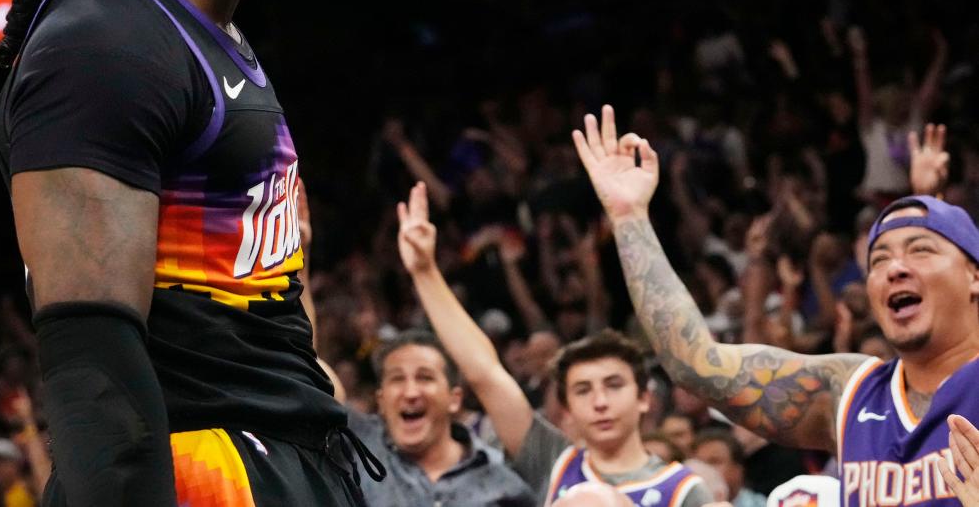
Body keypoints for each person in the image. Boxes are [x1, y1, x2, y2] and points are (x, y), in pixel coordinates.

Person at [0, 0, 382, 505]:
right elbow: (92, 362)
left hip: (281, 462)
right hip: (202, 479)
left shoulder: (211, 33)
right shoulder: (103, 38)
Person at [570, 106, 979, 507]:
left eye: (920, 250)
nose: (895, 269)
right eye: (879, 260)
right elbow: (695, 362)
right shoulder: (849, 392)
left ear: (974, 275)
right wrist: (629, 218)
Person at [396, 183, 708, 507]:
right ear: (567, 410)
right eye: (583, 390)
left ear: (644, 398)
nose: (600, 402)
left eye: (613, 385)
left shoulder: (683, 490)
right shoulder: (553, 463)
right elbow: (485, 374)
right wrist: (425, 272)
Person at [346, 329, 535, 506]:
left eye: (425, 377)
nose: (411, 392)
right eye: (397, 379)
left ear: (454, 399)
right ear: (381, 400)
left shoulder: (501, 482)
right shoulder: (357, 454)